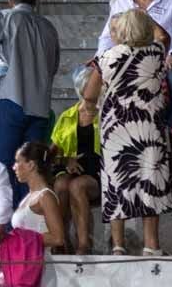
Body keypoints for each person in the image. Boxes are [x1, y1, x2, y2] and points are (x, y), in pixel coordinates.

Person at [83, 9, 172, 255]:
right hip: (148, 131)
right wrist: (144, 18)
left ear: (122, 31)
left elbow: (89, 94)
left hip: (117, 131)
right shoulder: (156, 53)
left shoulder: (106, 57)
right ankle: (151, 246)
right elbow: (163, 36)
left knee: (116, 184)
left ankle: (118, 246)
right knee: (149, 181)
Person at [0, 0, 60, 198]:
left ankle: (6, 226)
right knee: (32, 170)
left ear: (10, 1)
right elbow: (53, 68)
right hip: (40, 108)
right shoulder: (49, 28)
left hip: (10, 101)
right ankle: (27, 225)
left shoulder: (6, 18)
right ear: (35, 2)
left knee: (5, 168)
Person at [49, 68, 102, 254]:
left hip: (98, 173)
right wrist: (66, 160)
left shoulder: (106, 114)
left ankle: (84, 244)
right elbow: (51, 155)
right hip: (70, 170)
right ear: (82, 89)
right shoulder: (67, 117)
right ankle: (61, 240)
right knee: (62, 184)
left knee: (77, 186)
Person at [9, 143, 66, 250]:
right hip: (24, 263)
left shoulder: (45, 196)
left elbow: (58, 238)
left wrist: (19, 239)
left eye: (17, 161)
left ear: (31, 165)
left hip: (40, 264)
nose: (13, 167)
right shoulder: (28, 197)